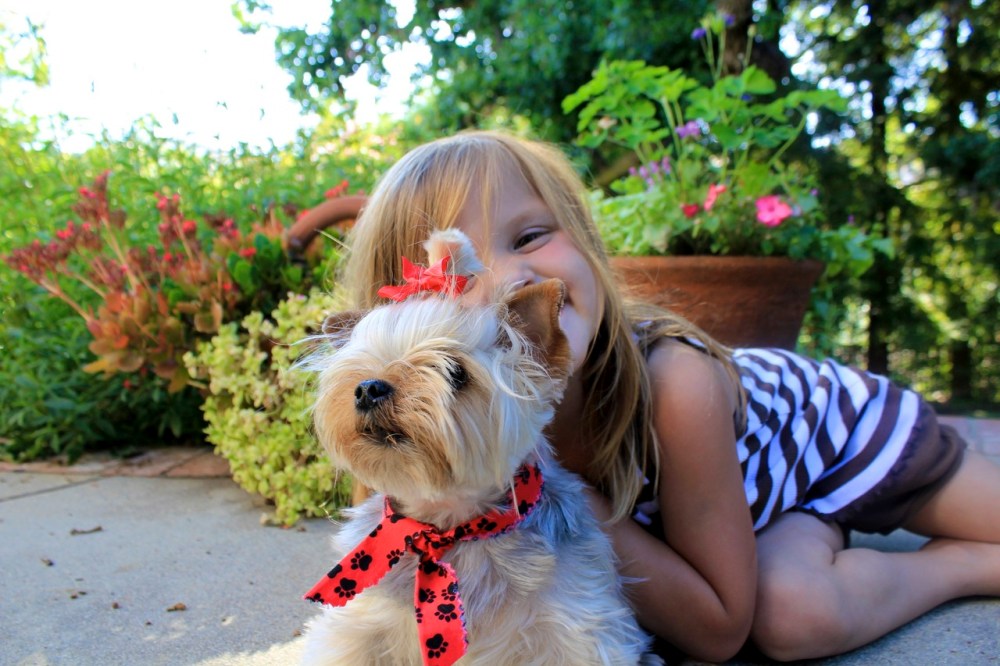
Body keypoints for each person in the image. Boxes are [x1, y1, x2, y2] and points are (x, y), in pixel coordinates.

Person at [340, 130, 1000, 662]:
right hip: (767, 501)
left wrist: (556, 495)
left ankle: (972, 564)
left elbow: (717, 630)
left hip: (842, 429)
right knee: (791, 616)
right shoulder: (412, 435)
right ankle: (933, 558)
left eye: (531, 236)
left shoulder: (675, 384)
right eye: (455, 269)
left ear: (587, 242)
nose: (509, 277)